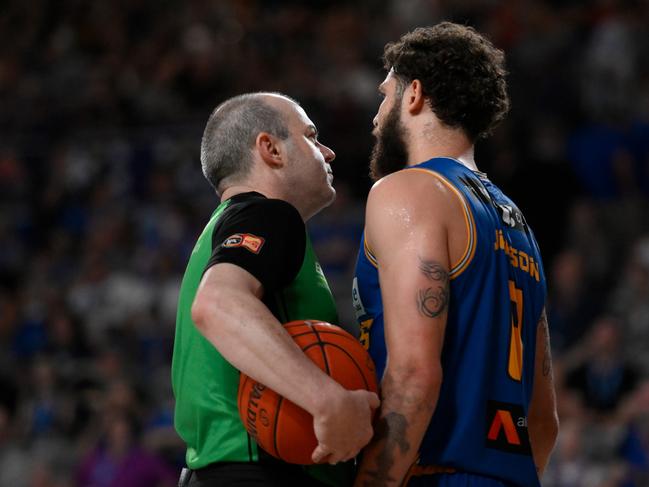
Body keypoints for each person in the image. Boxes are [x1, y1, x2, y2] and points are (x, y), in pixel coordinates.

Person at [352, 23, 559, 487]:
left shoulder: (408, 190)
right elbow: (543, 424)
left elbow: (413, 376)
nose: (376, 115)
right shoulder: (517, 222)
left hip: (431, 474)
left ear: (414, 95)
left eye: (384, 96)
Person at [171, 92, 379, 487]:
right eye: (312, 137)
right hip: (260, 472)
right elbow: (218, 304)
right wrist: (327, 399)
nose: (329, 152)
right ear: (270, 149)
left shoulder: (223, 226)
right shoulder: (269, 213)